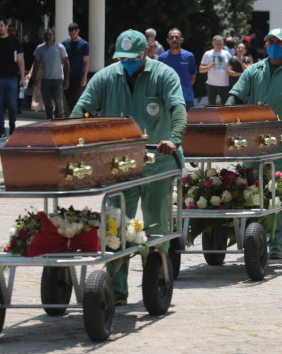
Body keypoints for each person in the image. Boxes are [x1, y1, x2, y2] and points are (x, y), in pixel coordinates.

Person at [70, 29, 186, 304]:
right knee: (115, 224)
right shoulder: (107, 77)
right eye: (121, 58)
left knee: (157, 224)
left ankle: (157, 278)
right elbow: (83, 109)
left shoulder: (164, 74)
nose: (126, 63)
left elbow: (178, 108)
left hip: (157, 161)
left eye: (131, 57)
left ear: (145, 52)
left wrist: (174, 139)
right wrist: (73, 136)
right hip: (118, 164)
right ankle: (117, 289)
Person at [227, 28, 282, 259]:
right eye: (270, 41)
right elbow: (236, 97)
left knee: (279, 190)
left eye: (278, 42)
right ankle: (254, 238)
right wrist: (224, 117)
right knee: (252, 188)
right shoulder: (254, 71)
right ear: (265, 45)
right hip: (252, 139)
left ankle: (277, 243)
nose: (273, 45)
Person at [0, 17, 26, 139]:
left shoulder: (15, 42)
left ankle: (12, 125)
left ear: (6, 26)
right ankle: (1, 130)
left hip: (12, 78)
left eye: (1, 25)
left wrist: (23, 77)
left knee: (12, 104)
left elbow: (20, 60)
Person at [26, 29, 70, 120]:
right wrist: (34, 77)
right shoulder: (40, 49)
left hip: (58, 79)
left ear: (54, 36)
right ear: (43, 37)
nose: (48, 37)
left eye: (50, 35)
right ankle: (49, 118)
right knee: (47, 102)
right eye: (46, 35)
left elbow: (67, 63)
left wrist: (67, 79)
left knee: (58, 100)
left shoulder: (60, 47)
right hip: (45, 79)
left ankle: (60, 118)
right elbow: (36, 64)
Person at [158, 28, 197, 109]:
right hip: (168, 98)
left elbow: (193, 77)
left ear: (181, 40)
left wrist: (185, 90)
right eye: (171, 37)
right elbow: (160, 78)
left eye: (177, 37)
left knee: (187, 121)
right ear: (168, 40)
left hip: (187, 98)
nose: (174, 39)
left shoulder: (189, 56)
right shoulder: (162, 58)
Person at [62, 22, 89, 111]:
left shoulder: (84, 44)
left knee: (76, 98)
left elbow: (86, 61)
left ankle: (75, 117)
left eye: (73, 34)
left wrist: (85, 77)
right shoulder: (65, 43)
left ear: (78, 31)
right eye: (70, 34)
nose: (72, 36)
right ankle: (71, 116)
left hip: (77, 75)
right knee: (68, 98)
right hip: (66, 75)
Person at [199, 35, 233, 105]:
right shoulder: (208, 54)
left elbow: (232, 66)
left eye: (221, 44)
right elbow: (201, 69)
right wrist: (210, 66)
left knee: (226, 106)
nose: (219, 46)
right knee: (211, 107)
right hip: (211, 85)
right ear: (213, 44)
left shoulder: (226, 53)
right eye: (217, 44)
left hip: (225, 85)